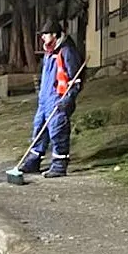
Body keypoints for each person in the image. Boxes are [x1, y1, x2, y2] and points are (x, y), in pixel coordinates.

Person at [21, 19, 84, 177]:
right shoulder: (50, 52)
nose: (42, 37)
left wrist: (68, 98)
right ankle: (34, 160)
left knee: (58, 130)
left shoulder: (67, 51)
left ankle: (59, 165)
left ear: (55, 35)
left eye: (45, 34)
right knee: (39, 128)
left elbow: (75, 79)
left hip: (58, 98)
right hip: (45, 99)